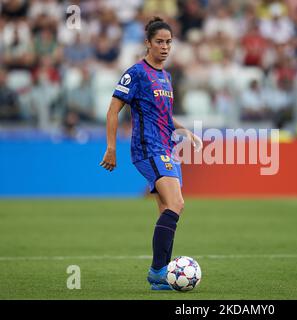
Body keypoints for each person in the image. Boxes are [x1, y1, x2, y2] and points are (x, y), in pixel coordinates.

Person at [100, 17, 203, 291]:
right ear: (147, 43)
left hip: (166, 148)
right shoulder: (136, 73)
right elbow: (113, 110)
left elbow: (165, 117)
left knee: (166, 209)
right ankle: (158, 271)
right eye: (159, 41)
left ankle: (162, 278)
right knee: (176, 203)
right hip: (148, 148)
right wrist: (111, 148)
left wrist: (184, 130)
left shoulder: (166, 77)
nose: (165, 47)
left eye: (169, 42)